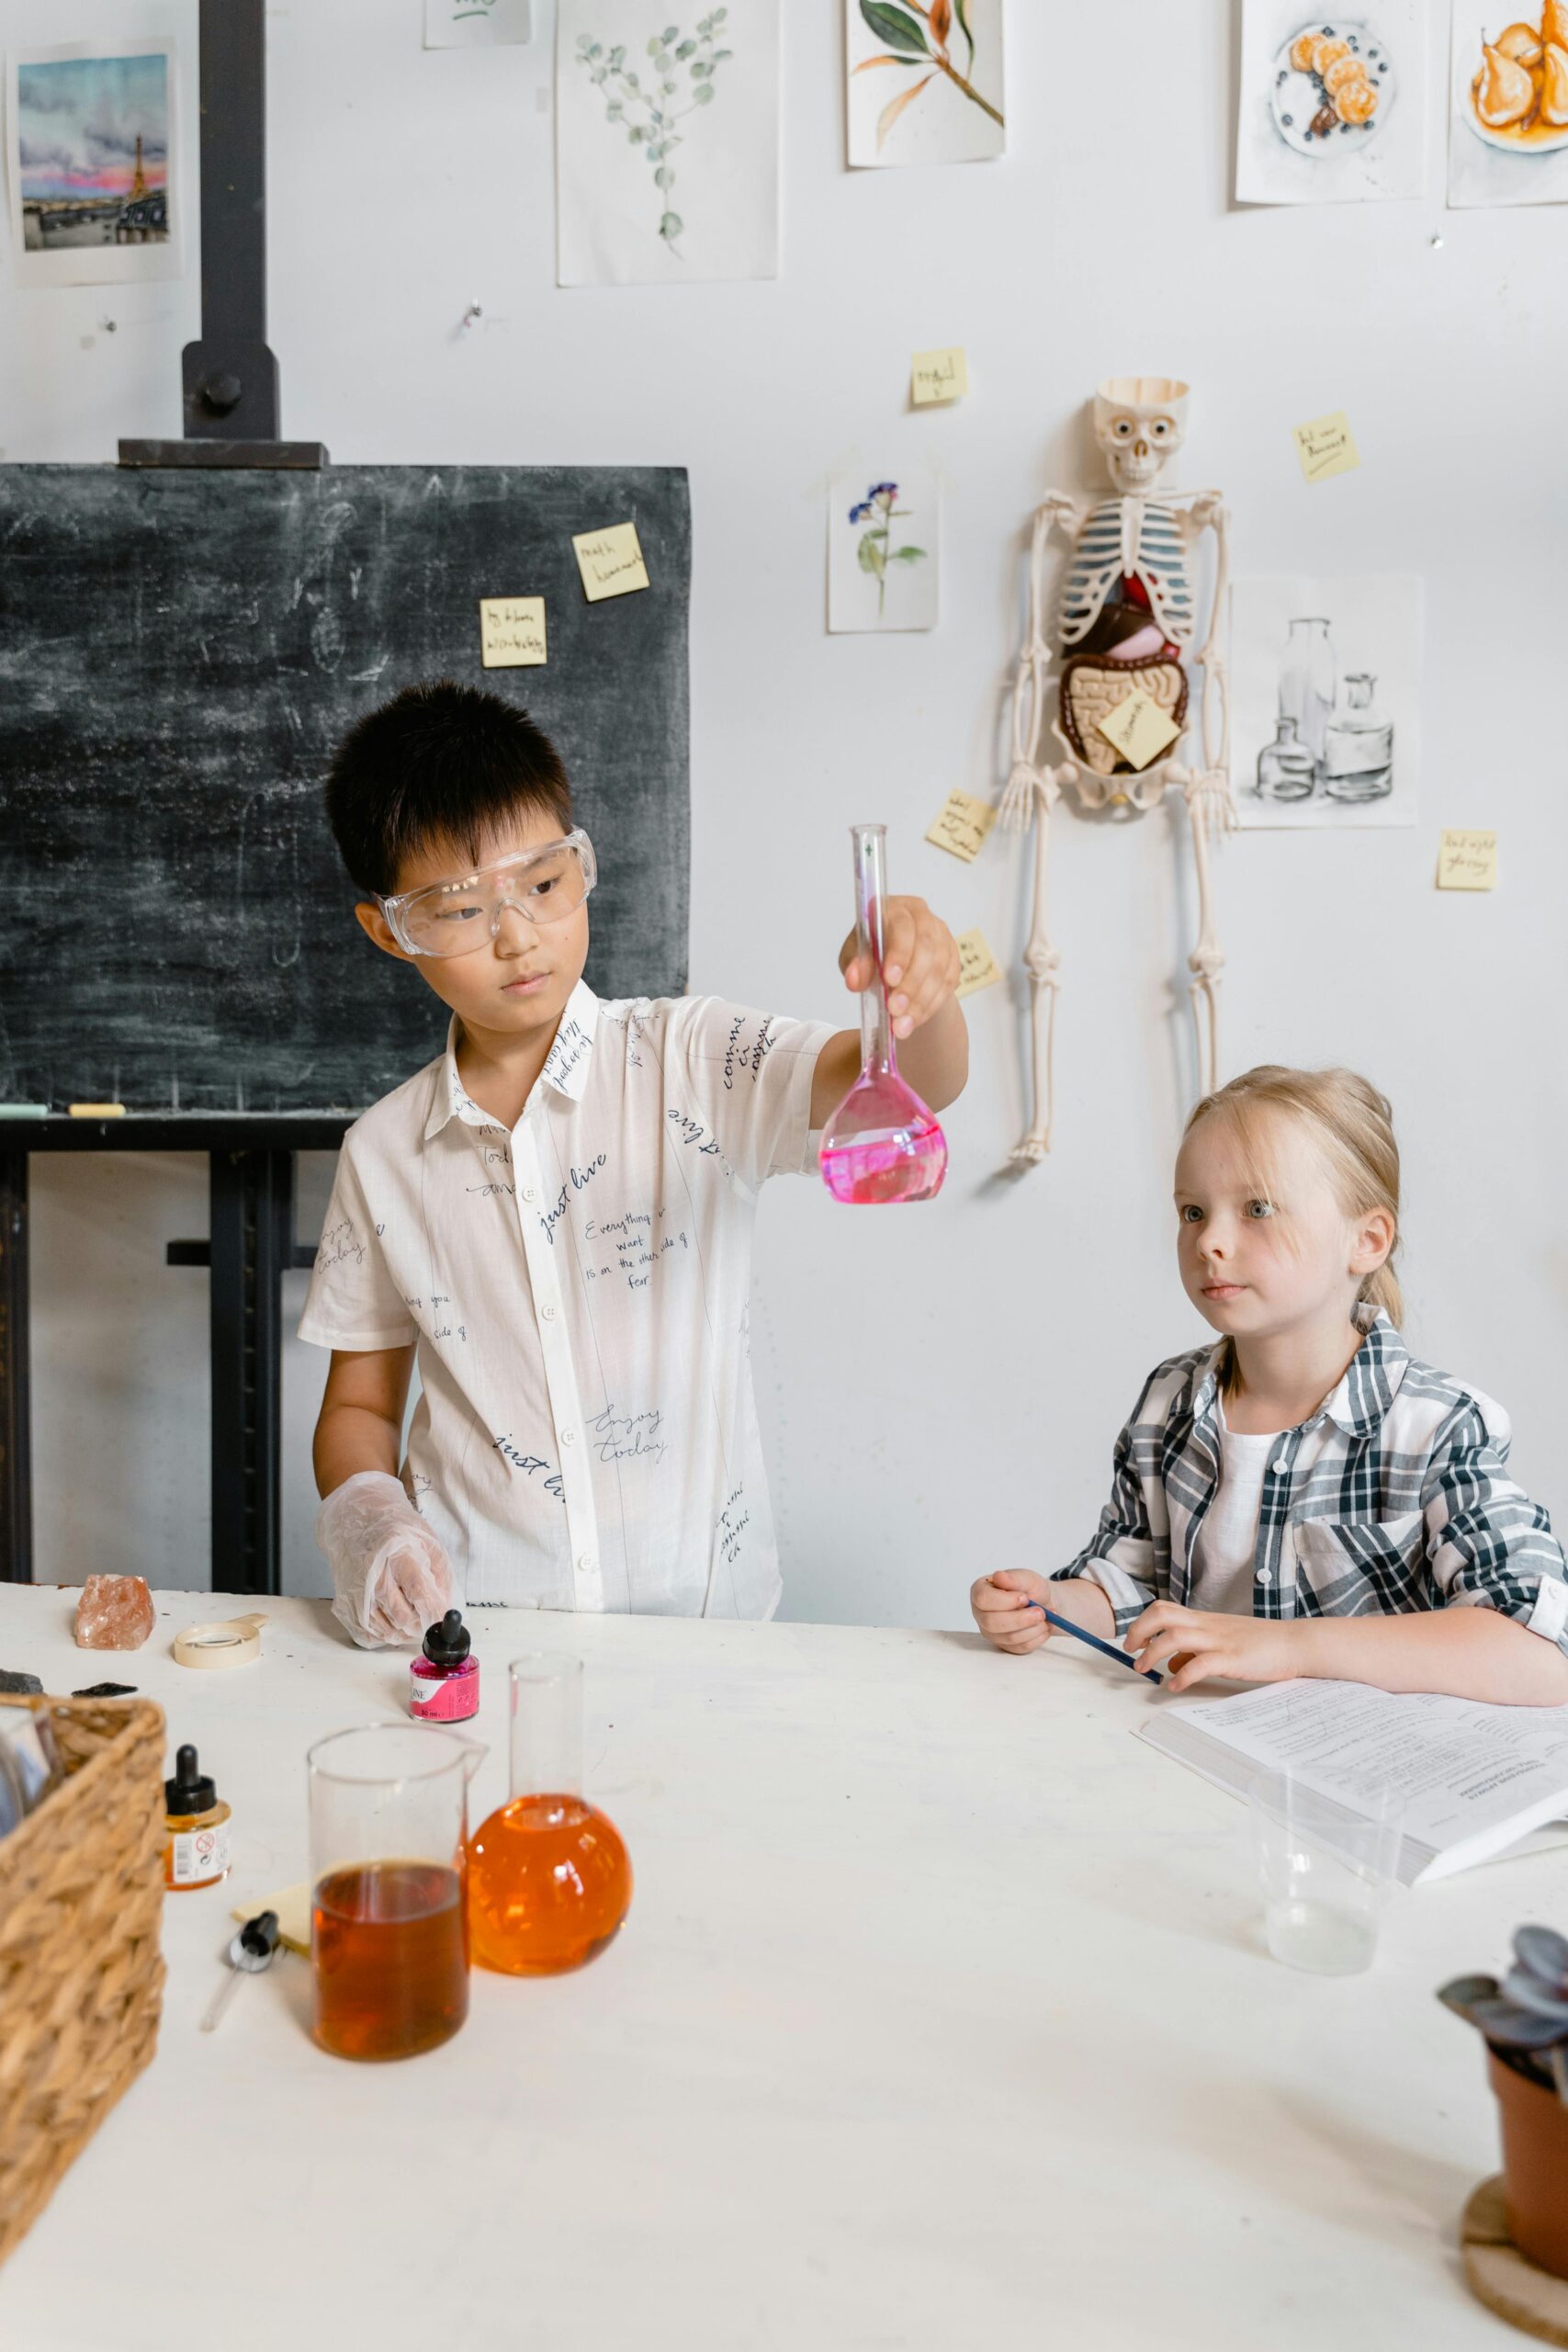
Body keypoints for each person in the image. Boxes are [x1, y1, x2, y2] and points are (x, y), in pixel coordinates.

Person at [301, 681, 968, 1645]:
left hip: (705, 1636)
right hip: (481, 1633)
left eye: (543, 883)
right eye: (457, 908)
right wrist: (374, 1524)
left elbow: (914, 1082)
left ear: (582, 865)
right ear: (389, 930)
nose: (515, 935)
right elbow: (359, 1404)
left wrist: (920, 990)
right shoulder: (384, 1154)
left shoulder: (695, 1060)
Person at [972, 1066, 1568, 1705]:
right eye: (1192, 1212)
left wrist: (1284, 1647)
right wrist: (1051, 1603)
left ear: (1366, 1240)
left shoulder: (1437, 1423)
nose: (1210, 1242)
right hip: (1193, 1757)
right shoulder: (1167, 1400)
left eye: (1257, 1208)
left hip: (1366, 1783)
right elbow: (1129, 1586)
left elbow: (1539, 1655)